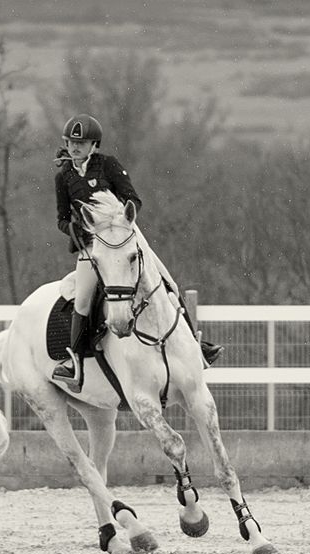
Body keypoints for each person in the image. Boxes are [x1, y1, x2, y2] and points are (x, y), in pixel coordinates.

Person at [51, 113, 223, 392]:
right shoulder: (64, 177)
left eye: (81, 143)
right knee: (81, 301)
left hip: (126, 239)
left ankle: (196, 346)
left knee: (169, 282)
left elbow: (133, 199)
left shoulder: (108, 165)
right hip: (93, 246)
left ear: (94, 145)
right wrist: (78, 231)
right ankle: (75, 364)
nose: (74, 147)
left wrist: (120, 221)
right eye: (71, 142)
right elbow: (60, 218)